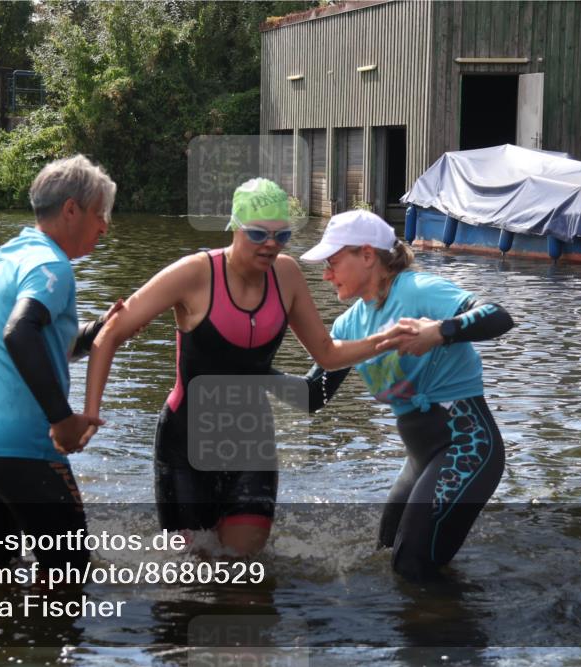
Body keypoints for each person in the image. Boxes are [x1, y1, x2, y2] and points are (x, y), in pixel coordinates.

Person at [82, 178, 408, 556]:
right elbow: (109, 334)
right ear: (235, 227)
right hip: (186, 443)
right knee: (194, 574)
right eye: (258, 233)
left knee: (244, 575)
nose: (271, 244)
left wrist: (388, 339)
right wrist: (90, 414)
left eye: (282, 235)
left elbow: (327, 354)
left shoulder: (286, 276)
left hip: (251, 442)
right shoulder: (194, 274)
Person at [284, 209, 513, 580]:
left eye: (333, 262)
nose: (326, 274)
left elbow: (498, 316)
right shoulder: (349, 324)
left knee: (410, 564)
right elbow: (312, 395)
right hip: (421, 458)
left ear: (367, 255)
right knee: (390, 553)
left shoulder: (417, 289)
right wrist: (247, 367)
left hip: (467, 444)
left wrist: (440, 331)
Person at [0, 154, 118, 570]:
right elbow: (19, 333)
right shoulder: (51, 265)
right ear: (71, 210)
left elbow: (41, 342)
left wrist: (101, 330)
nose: (104, 226)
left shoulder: (16, 253)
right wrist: (62, 419)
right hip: (23, 449)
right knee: (69, 573)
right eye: (100, 213)